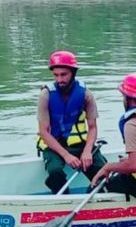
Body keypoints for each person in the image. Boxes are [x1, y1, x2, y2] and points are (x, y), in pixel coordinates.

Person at [36, 50, 107, 193]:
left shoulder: (86, 94)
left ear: (73, 73)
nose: (59, 79)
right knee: (55, 171)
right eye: (56, 75)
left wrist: (87, 151)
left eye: (64, 74)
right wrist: (66, 155)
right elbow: (43, 132)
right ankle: (64, 197)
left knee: (102, 172)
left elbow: (92, 127)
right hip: (53, 146)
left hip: (80, 145)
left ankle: (96, 193)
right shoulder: (45, 95)